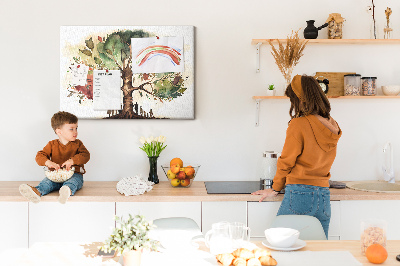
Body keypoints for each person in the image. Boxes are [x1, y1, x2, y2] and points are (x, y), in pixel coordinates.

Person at [252, 75, 342, 238]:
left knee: (279, 244)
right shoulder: (332, 124)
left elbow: (286, 161)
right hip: (323, 196)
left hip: (300, 194)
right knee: (318, 251)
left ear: (300, 99)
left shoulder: (299, 124)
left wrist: (275, 188)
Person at [19, 111, 90, 204]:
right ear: (59, 131)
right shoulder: (52, 144)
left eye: (76, 128)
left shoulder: (78, 144)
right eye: (71, 129)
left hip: (74, 174)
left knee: (73, 182)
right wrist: (48, 162)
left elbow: (85, 155)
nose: (75, 132)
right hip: (55, 176)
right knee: (46, 183)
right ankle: (36, 192)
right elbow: (40, 156)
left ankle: (66, 191)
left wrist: (72, 161)